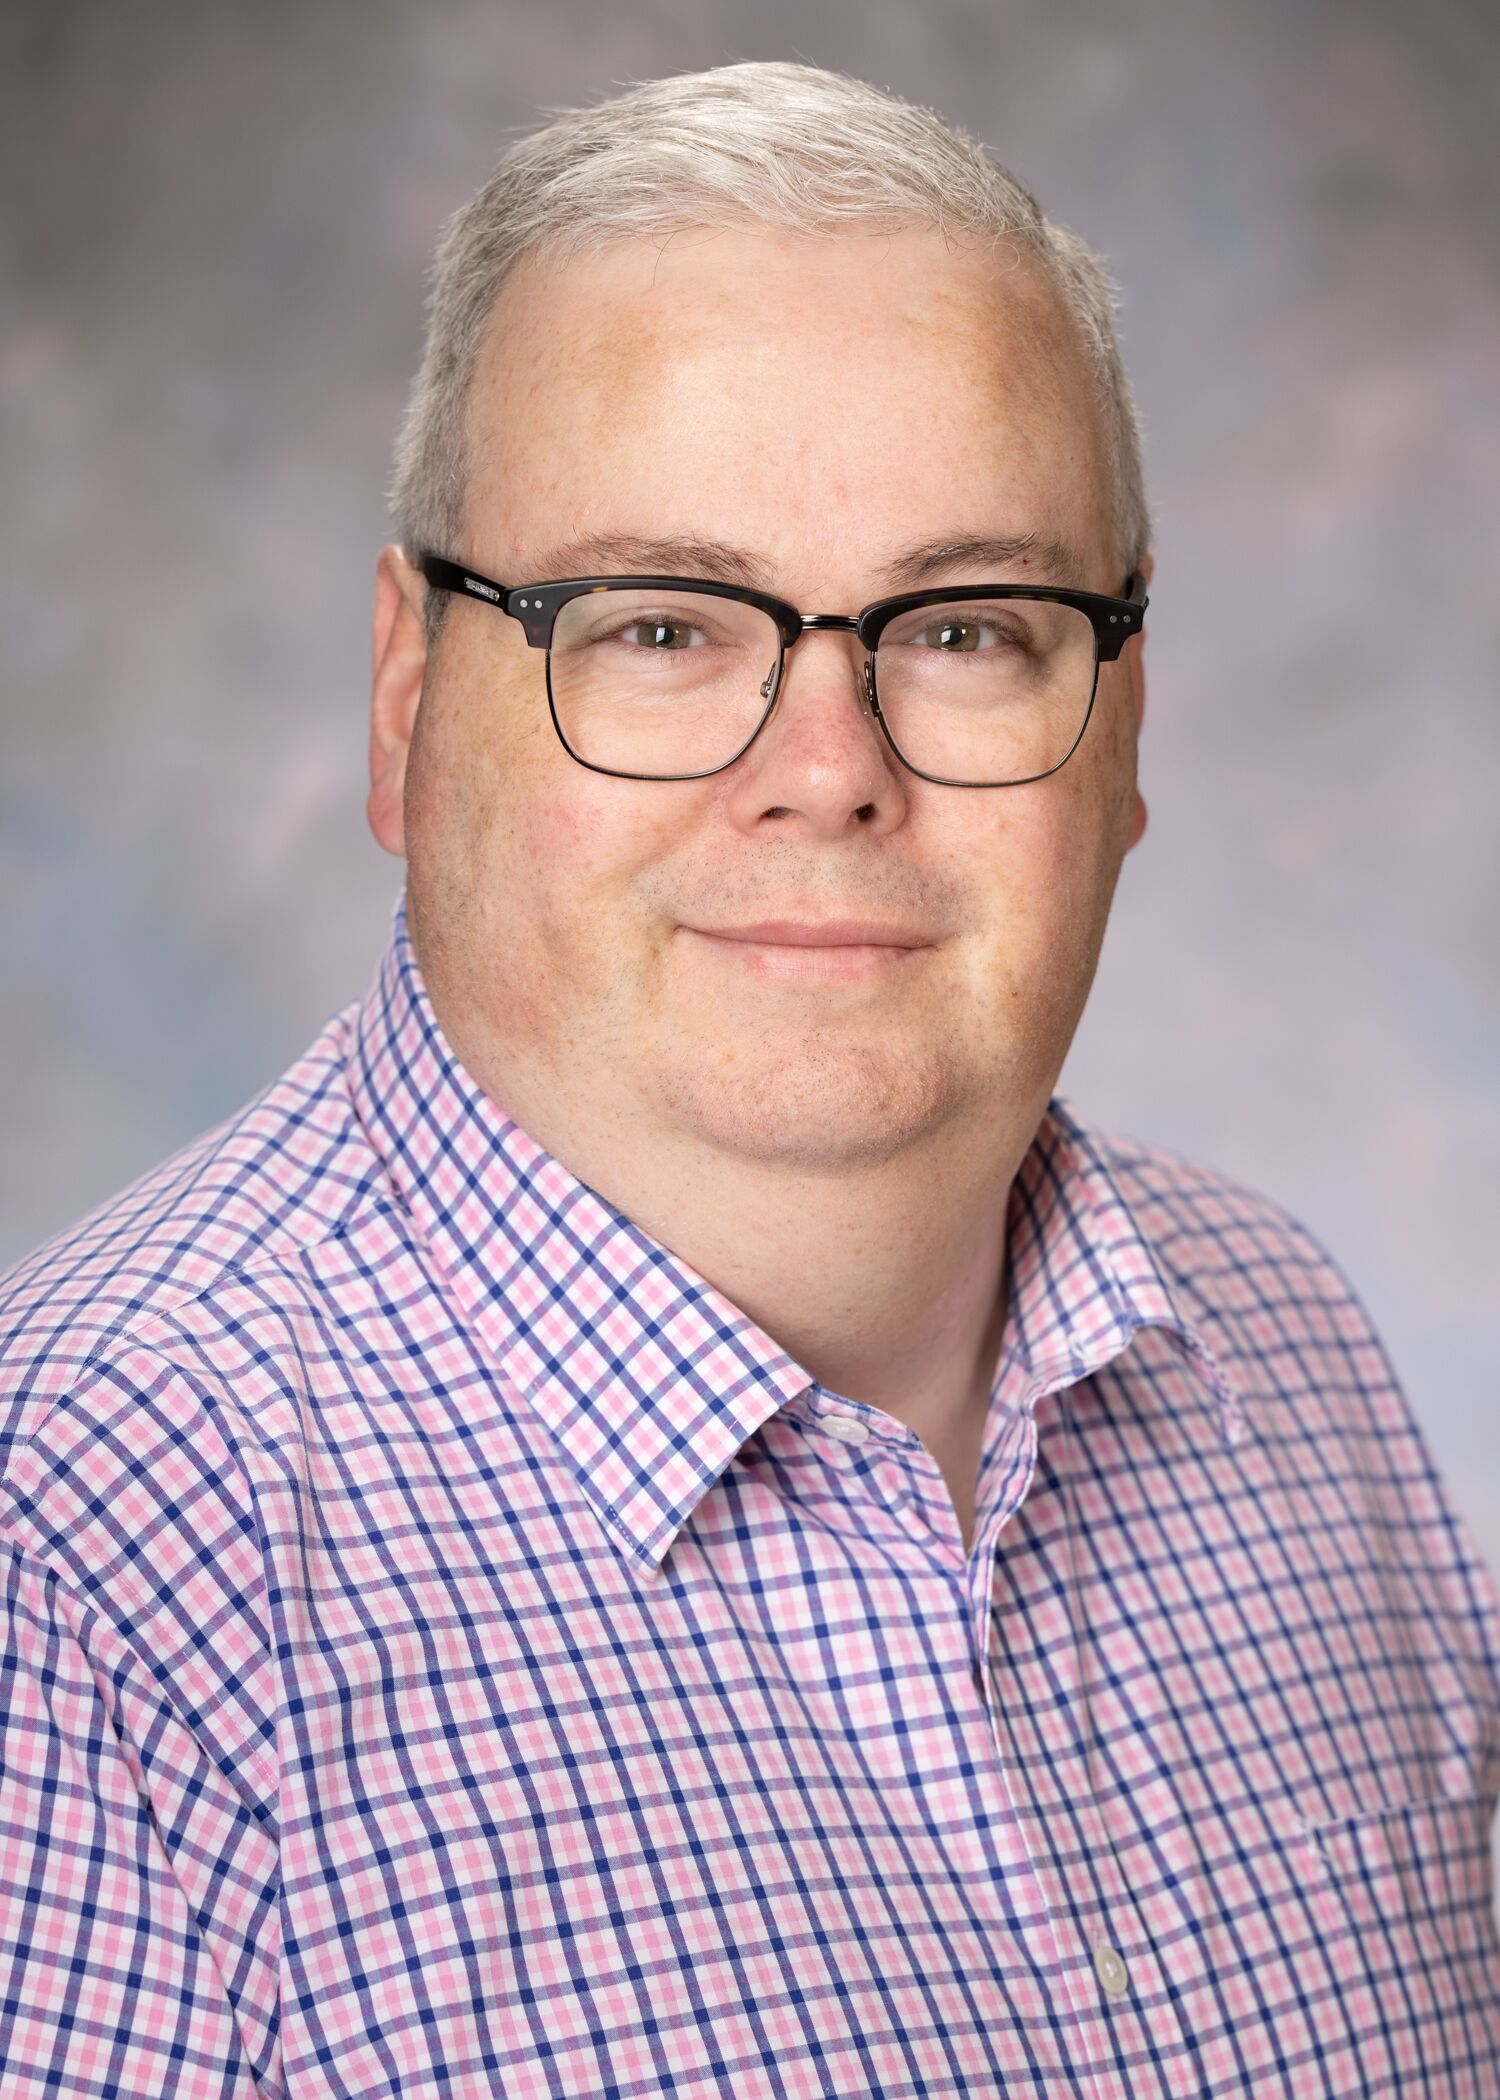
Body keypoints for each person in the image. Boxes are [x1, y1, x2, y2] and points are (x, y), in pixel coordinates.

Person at [2, 59, 1496, 2099]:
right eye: (663, 628)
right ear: (407, 702)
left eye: (967, 628)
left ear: (1123, 729)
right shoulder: (81, 1567)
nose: (827, 767)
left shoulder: (1296, 1362)